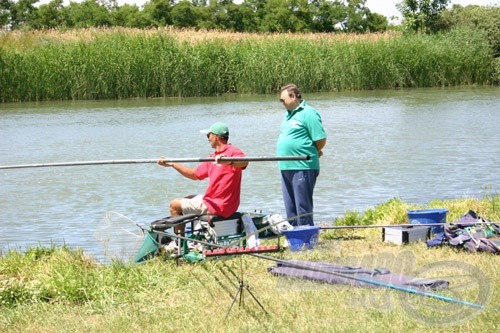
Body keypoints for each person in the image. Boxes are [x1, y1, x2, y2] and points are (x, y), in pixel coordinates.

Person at [158, 122, 248, 234]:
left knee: (174, 204)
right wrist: (172, 163)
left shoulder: (233, 152)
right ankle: (195, 233)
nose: (208, 139)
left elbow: (244, 162)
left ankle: (179, 242)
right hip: (222, 204)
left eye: (208, 135)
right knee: (188, 197)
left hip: (218, 205)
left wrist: (228, 161)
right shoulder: (212, 158)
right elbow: (194, 174)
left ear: (215, 136)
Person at [277, 84, 327, 226]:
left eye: (283, 100)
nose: (282, 103)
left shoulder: (308, 113)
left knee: (302, 207)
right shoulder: (288, 115)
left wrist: (311, 152)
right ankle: (294, 238)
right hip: (285, 166)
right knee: (290, 207)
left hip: (302, 166)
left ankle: (306, 239)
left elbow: (320, 140)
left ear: (293, 97)